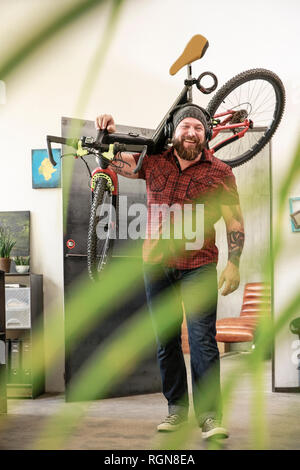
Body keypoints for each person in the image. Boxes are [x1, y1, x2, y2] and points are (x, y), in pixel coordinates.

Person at [95, 105, 244, 440]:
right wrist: (108, 132)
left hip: (200, 266)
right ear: (174, 131)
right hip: (157, 265)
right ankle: (176, 411)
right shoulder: (155, 160)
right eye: (185, 127)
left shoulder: (220, 172)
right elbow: (115, 163)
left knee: (203, 341)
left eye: (197, 129)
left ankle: (209, 416)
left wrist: (234, 262)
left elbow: (235, 220)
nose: (191, 133)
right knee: (166, 340)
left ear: (206, 135)